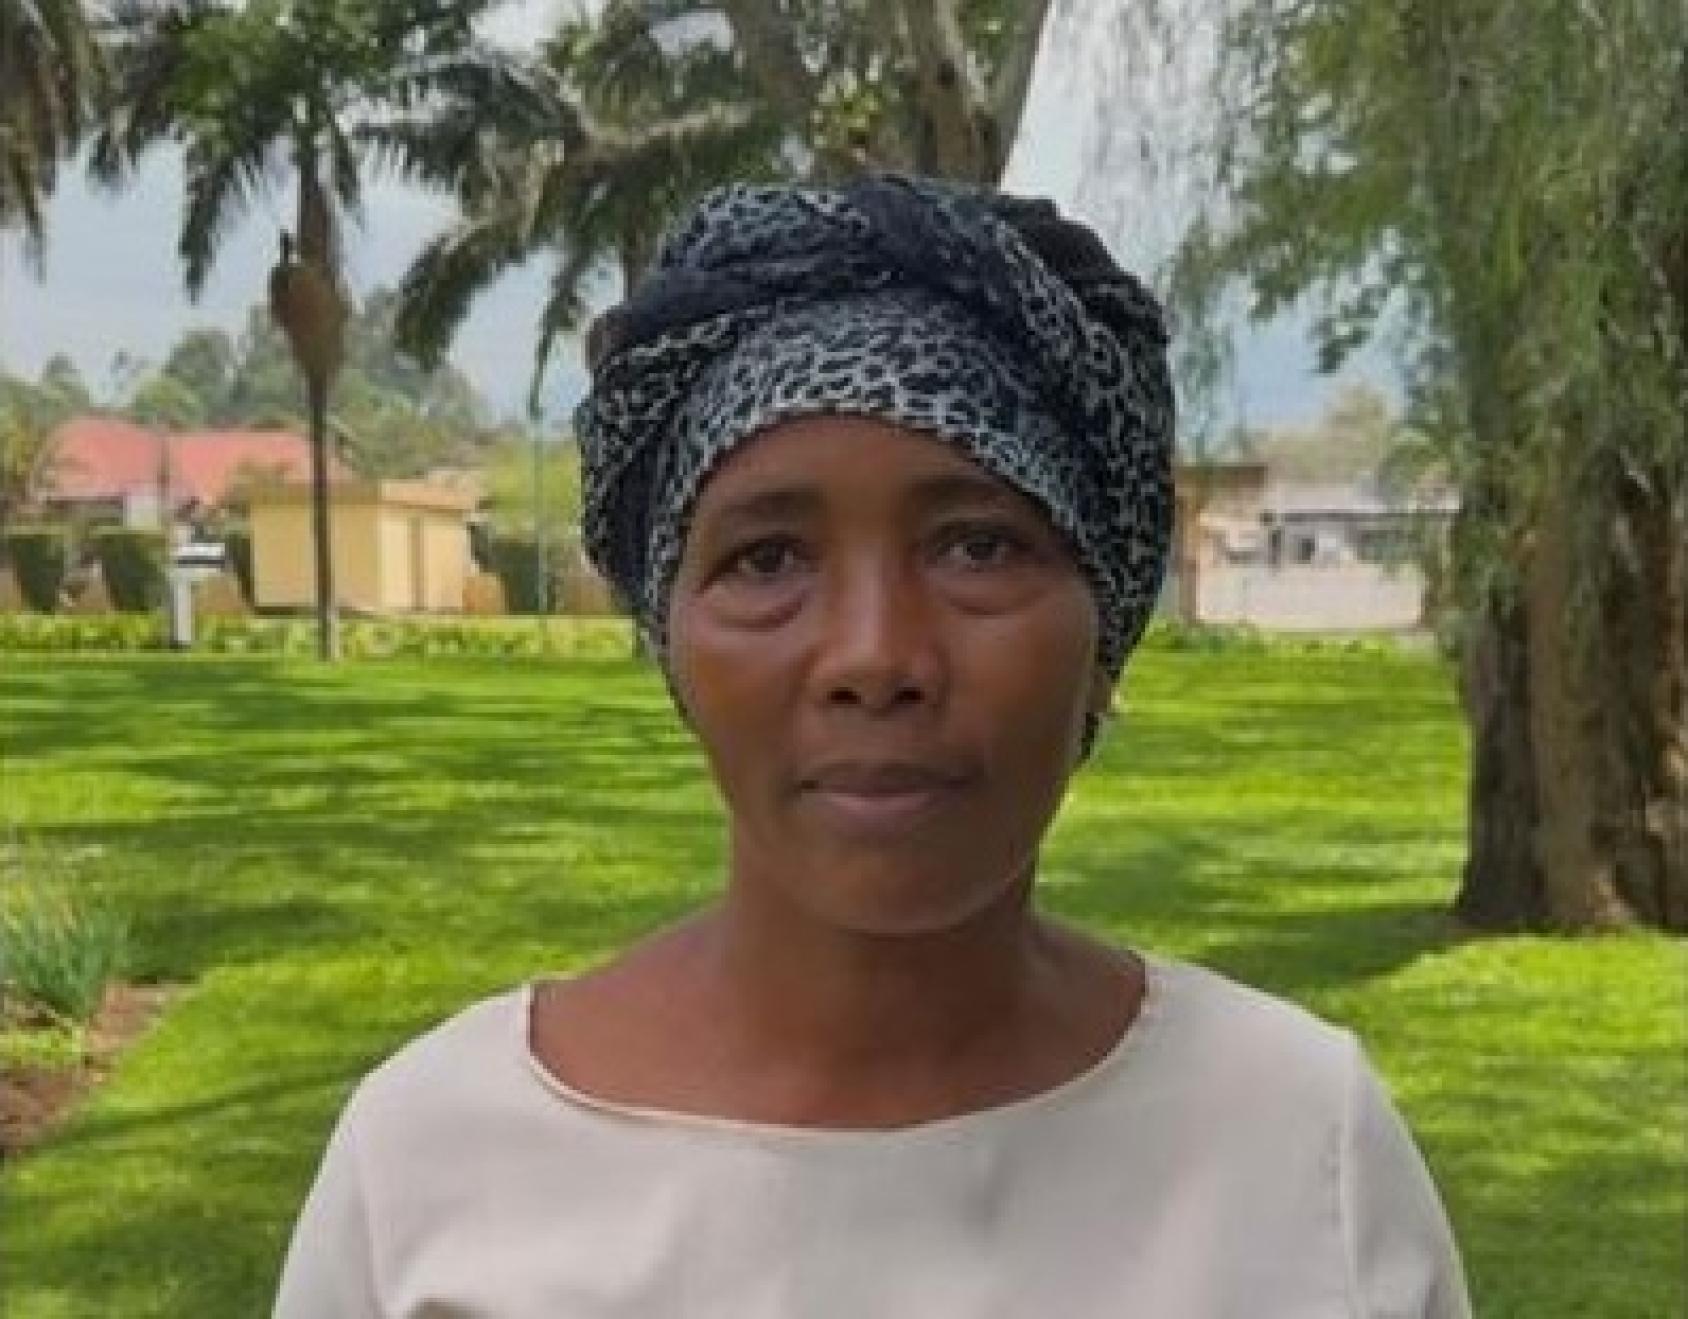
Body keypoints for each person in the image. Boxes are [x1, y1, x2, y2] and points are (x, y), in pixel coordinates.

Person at [274, 173, 1470, 1317]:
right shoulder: (431, 1169)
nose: (874, 654)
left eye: (977, 545)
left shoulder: (1298, 1149)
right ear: (672, 646)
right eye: (765, 558)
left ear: (1104, 630)